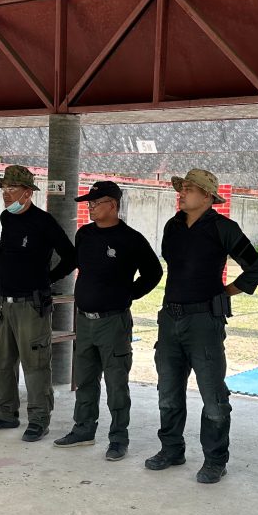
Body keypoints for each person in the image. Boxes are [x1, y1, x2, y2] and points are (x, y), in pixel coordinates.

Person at [146, 168, 258, 483]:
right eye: (181, 188)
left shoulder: (224, 228)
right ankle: (171, 449)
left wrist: (225, 292)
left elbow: (256, 269)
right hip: (169, 319)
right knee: (168, 391)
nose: (181, 193)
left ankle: (215, 460)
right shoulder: (173, 226)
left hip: (204, 322)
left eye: (189, 188)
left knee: (213, 396)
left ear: (207, 196)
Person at [53, 181, 161, 461]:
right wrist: (46, 278)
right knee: (85, 380)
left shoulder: (131, 239)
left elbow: (154, 272)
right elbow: (74, 264)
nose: (90, 208)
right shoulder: (84, 234)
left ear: (112, 205)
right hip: (84, 321)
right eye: (88, 203)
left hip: (113, 323)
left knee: (116, 383)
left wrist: (128, 294)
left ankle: (118, 438)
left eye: (95, 203)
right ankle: (83, 429)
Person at [0, 165, 76, 442]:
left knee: (35, 364)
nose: (6, 194)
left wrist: (48, 278)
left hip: (31, 305)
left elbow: (71, 256)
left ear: (28, 193)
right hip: (5, 304)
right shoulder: (6, 218)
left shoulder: (43, 222)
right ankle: (5, 412)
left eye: (12, 189)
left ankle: (39, 419)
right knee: (3, 362)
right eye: (4, 189)